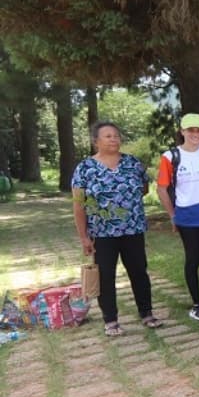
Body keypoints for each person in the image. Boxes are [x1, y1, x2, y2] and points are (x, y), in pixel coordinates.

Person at [72, 122, 162, 336]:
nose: (114, 139)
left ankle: (147, 313)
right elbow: (78, 203)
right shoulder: (84, 168)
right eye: (108, 136)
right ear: (96, 141)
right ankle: (111, 320)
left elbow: (144, 188)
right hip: (102, 233)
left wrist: (125, 208)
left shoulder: (132, 163)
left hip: (132, 229)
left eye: (116, 135)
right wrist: (84, 236)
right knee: (105, 276)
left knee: (139, 272)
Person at [156, 113, 199, 321]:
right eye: (190, 130)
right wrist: (172, 215)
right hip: (187, 216)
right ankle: (197, 304)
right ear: (182, 131)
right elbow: (162, 188)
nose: (195, 134)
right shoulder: (170, 157)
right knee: (193, 258)